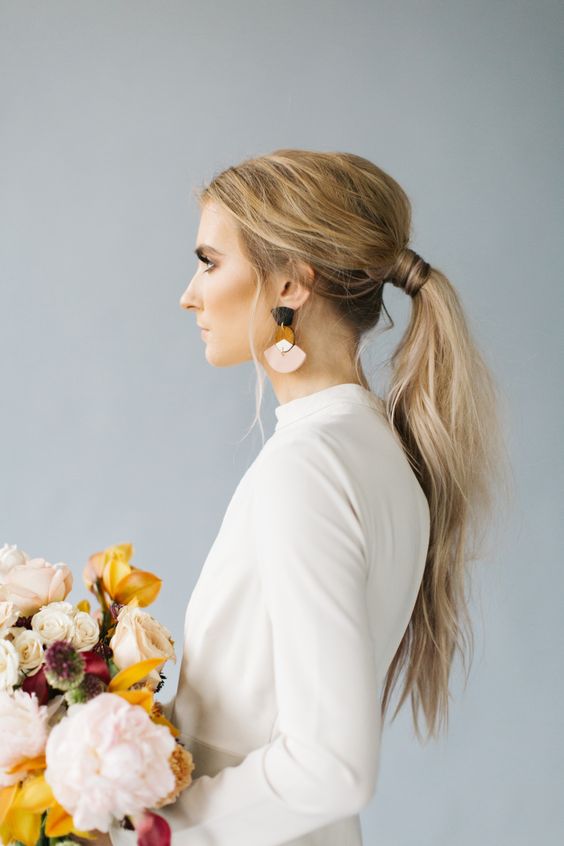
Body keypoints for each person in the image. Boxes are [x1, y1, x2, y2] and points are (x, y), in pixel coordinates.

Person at [107, 149, 510, 846]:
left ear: (291, 283)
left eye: (209, 261)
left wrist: (143, 826)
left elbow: (331, 767)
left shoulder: (310, 468)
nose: (189, 294)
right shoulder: (374, 451)